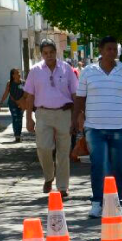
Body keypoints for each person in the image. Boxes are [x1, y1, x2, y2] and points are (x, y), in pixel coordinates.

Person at [75, 36, 122, 217]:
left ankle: (117, 203)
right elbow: (80, 98)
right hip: (94, 128)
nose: (112, 52)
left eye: (115, 49)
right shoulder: (88, 71)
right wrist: (77, 117)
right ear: (100, 50)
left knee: (119, 168)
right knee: (99, 166)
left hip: (120, 127)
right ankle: (97, 203)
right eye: (109, 49)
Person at [24, 39, 79, 196]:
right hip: (43, 114)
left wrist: (78, 116)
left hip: (64, 113)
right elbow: (29, 96)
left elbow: (75, 93)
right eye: (45, 53)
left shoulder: (66, 68)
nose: (49, 56)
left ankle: (62, 187)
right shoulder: (35, 71)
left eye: (52, 52)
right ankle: (49, 176)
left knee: (63, 151)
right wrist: (28, 118)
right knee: (44, 147)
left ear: (56, 52)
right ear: (41, 54)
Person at [2, 68, 25, 143]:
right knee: (15, 118)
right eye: (17, 73)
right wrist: (1, 102)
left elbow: (26, 94)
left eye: (19, 72)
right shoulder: (10, 83)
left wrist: (21, 102)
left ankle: (19, 134)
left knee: (20, 119)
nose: (19, 74)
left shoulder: (23, 83)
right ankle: (17, 136)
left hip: (21, 103)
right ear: (13, 75)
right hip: (12, 104)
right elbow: (6, 93)